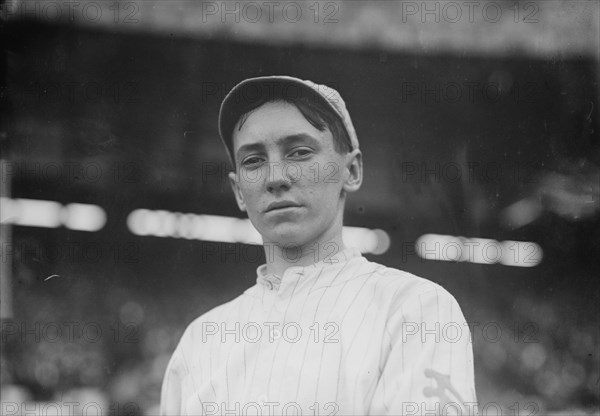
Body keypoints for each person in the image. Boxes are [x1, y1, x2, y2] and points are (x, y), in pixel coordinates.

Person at [160, 76, 478, 415]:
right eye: (253, 160)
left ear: (351, 170)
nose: (275, 177)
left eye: (299, 152)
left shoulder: (416, 309)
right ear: (238, 191)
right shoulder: (200, 342)